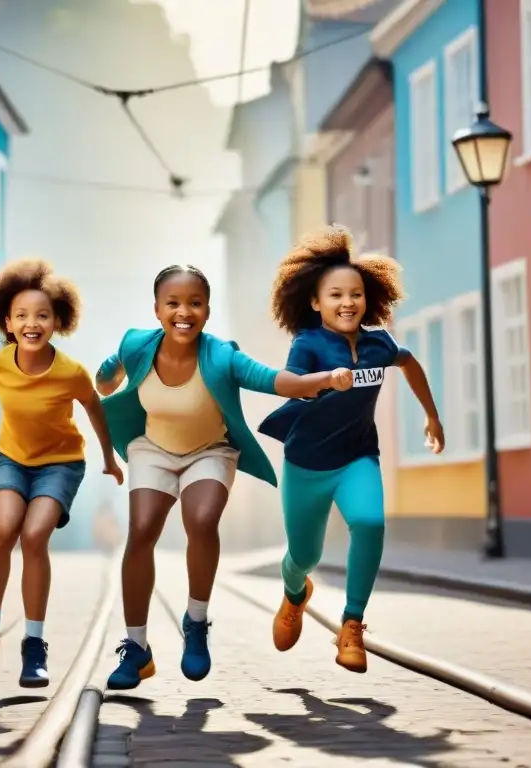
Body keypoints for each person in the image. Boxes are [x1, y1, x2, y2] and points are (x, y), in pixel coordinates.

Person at [95, 264, 352, 691]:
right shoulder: (136, 344)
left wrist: (321, 380)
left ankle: (195, 623)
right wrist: (110, 371)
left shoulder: (220, 355)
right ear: (157, 309)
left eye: (194, 303)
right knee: (141, 531)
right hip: (152, 449)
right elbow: (108, 379)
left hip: (209, 451)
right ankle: (137, 649)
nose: (184, 312)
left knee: (201, 520)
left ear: (207, 310)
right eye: (173, 304)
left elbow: (272, 380)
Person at [258, 226, 444, 674]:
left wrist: (431, 415)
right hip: (306, 463)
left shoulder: (380, 343)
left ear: (369, 298)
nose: (348, 302)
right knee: (304, 557)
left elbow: (410, 363)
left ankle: (352, 624)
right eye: (336, 294)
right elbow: (290, 385)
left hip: (358, 457)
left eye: (356, 294)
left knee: (369, 522)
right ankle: (294, 595)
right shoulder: (309, 343)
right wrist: (325, 380)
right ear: (315, 302)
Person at [0, 258, 123, 688]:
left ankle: (34, 644)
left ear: (57, 320)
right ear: (7, 321)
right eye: (21, 315)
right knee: (3, 529)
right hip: (12, 461)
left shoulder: (71, 373)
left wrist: (109, 459)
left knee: (34, 535)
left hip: (60, 464)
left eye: (41, 315)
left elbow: (95, 410)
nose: (31, 323)